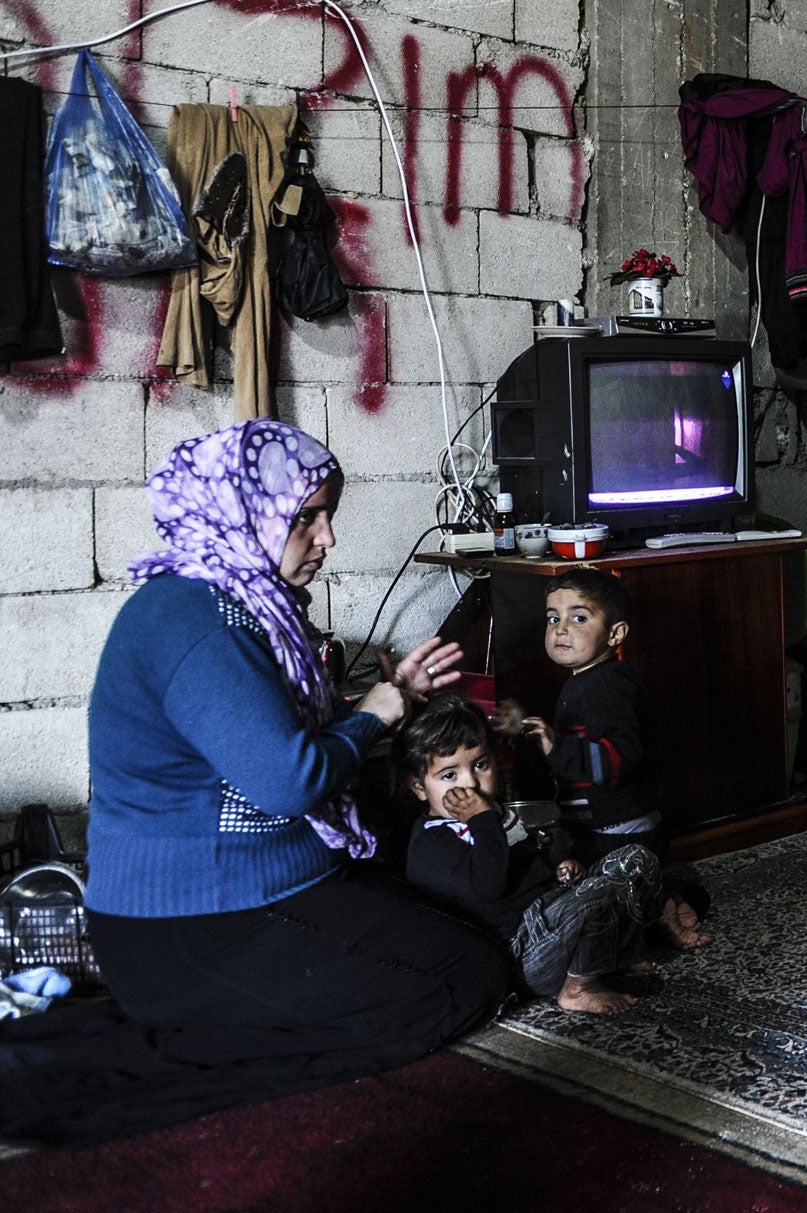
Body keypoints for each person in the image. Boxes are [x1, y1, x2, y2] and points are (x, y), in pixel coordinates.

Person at [0, 421, 510, 1146]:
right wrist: (375, 712)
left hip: (254, 895)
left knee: (462, 940)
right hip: (188, 929)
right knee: (460, 981)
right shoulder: (198, 620)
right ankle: (88, 1061)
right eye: (307, 518)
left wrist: (389, 697)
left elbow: (280, 742)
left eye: (326, 515)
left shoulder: (238, 604)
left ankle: (185, 1022)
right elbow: (288, 781)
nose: (327, 538)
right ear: (242, 512)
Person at [400, 696, 706, 1016]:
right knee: (600, 896)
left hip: (552, 923)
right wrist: (481, 821)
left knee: (636, 857)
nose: (471, 782)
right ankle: (578, 989)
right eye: (449, 775)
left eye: (480, 764)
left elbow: (530, 863)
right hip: (526, 955)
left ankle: (622, 951)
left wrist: (560, 870)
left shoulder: (497, 813)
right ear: (419, 787)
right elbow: (488, 886)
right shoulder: (432, 842)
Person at [522, 571, 666, 863]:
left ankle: (673, 899)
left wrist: (557, 748)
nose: (560, 629)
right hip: (597, 826)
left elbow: (621, 760)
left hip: (619, 831)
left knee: (611, 899)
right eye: (553, 618)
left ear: (615, 634)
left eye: (578, 618)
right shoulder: (586, 679)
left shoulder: (608, 686)